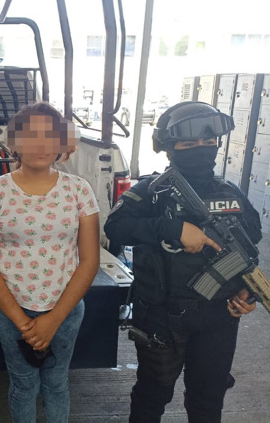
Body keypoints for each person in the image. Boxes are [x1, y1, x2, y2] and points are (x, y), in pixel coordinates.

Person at [104, 101, 262, 422]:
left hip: (219, 317)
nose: (201, 149)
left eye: (209, 142)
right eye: (189, 144)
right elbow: (115, 228)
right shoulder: (152, 192)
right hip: (162, 318)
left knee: (208, 398)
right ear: (168, 147)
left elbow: (249, 246)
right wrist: (173, 229)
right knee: (152, 395)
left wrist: (247, 292)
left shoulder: (229, 192)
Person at [0, 102, 100, 422]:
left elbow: (89, 261)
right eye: (31, 135)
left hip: (65, 310)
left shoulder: (79, 190)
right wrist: (22, 321)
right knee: (24, 383)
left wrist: (54, 318)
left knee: (56, 383)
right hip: (9, 310)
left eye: (50, 135)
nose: (41, 144)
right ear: (14, 143)